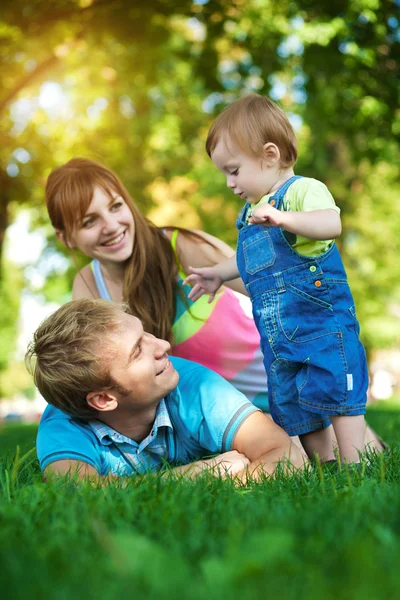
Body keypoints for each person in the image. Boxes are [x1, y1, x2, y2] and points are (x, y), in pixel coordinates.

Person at [45, 157, 384, 454]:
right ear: (66, 237)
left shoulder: (181, 247)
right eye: (89, 221)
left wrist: (325, 365)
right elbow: (91, 378)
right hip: (218, 420)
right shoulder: (88, 287)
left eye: (116, 206)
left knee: (358, 460)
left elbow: (286, 285)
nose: (111, 226)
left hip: (291, 395)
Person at [184, 94, 370, 464]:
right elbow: (249, 260)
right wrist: (217, 275)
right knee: (296, 401)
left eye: (233, 170)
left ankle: (355, 463)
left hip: (321, 324)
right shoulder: (252, 212)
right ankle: (324, 467)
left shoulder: (300, 191)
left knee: (336, 389)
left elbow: (330, 224)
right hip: (279, 337)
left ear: (270, 156)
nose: (228, 182)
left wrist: (285, 218)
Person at [26, 299, 306, 481]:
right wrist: (203, 475)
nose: (163, 346)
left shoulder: (193, 384)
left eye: (145, 333)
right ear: (103, 399)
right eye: (138, 352)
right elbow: (80, 497)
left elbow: (287, 457)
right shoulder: (62, 426)